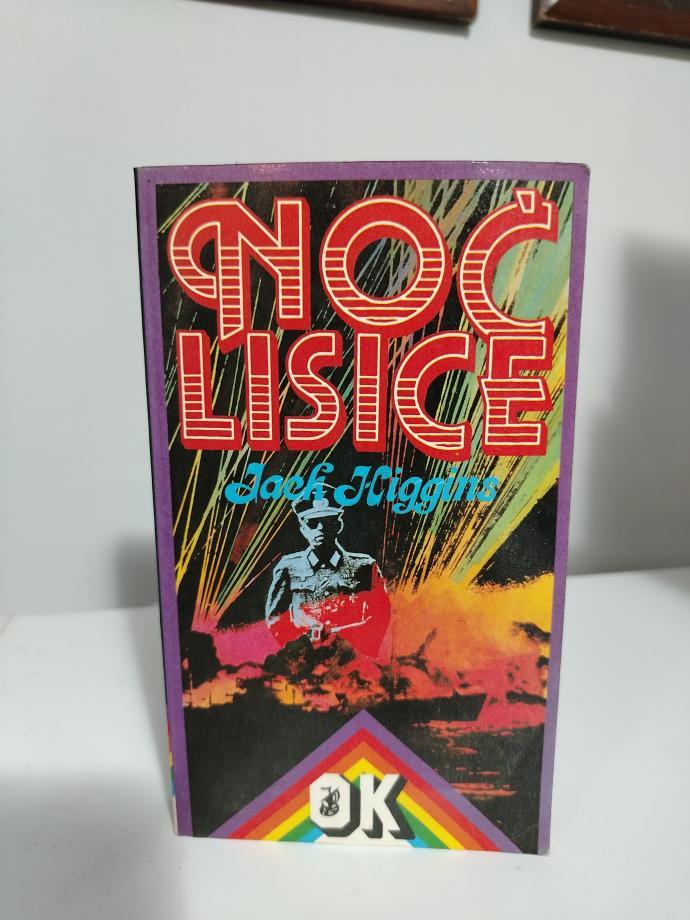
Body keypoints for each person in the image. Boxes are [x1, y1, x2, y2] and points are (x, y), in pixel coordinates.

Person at [265, 486, 390, 657]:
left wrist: (342, 642)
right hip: (305, 660)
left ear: (338, 525)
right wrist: (301, 650)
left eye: (327, 521)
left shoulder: (364, 566)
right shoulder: (289, 567)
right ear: (303, 529)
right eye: (312, 523)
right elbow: (276, 619)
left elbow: (380, 615)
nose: (320, 528)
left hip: (350, 659)